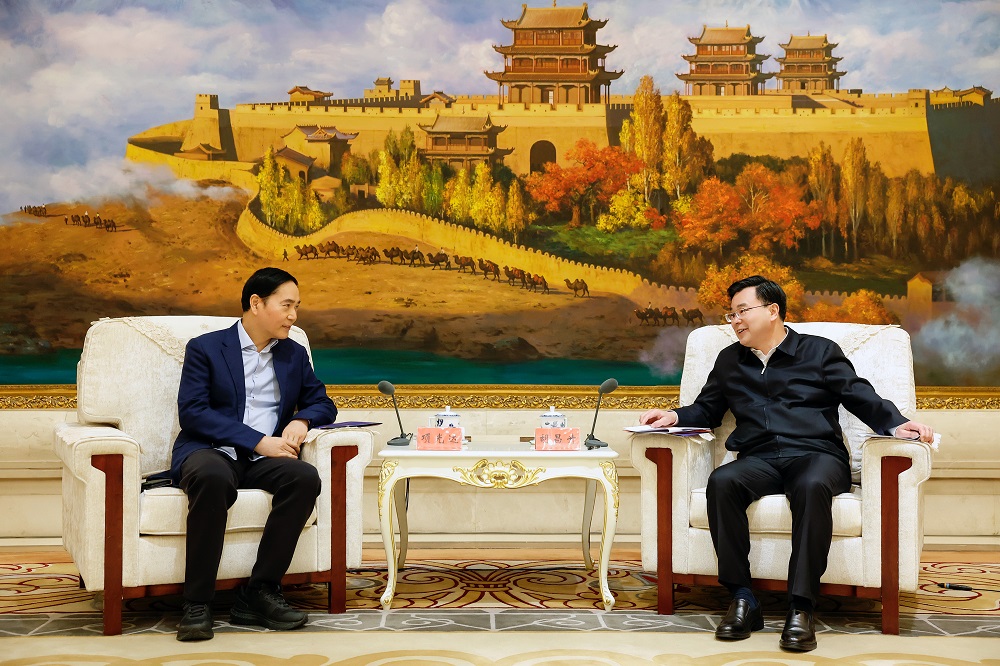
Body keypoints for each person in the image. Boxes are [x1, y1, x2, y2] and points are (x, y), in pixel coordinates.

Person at [639, 275, 934, 652]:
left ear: (772, 310)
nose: (735, 321)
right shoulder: (730, 359)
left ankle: (801, 607)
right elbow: (708, 408)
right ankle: (743, 598)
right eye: (731, 315)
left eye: (742, 311)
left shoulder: (819, 351)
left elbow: (858, 395)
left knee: (811, 486)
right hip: (760, 458)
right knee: (722, 482)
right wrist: (674, 416)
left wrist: (896, 423)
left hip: (817, 455)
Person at [169, 267, 337, 641]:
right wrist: (258, 440)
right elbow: (193, 412)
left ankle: (259, 591)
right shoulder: (206, 348)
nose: (294, 315)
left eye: (297, 307)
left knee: (304, 478)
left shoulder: (293, 354)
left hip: (264, 460)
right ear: (256, 303)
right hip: (212, 450)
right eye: (287, 305)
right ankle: (197, 602)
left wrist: (303, 420)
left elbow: (323, 402)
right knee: (211, 477)